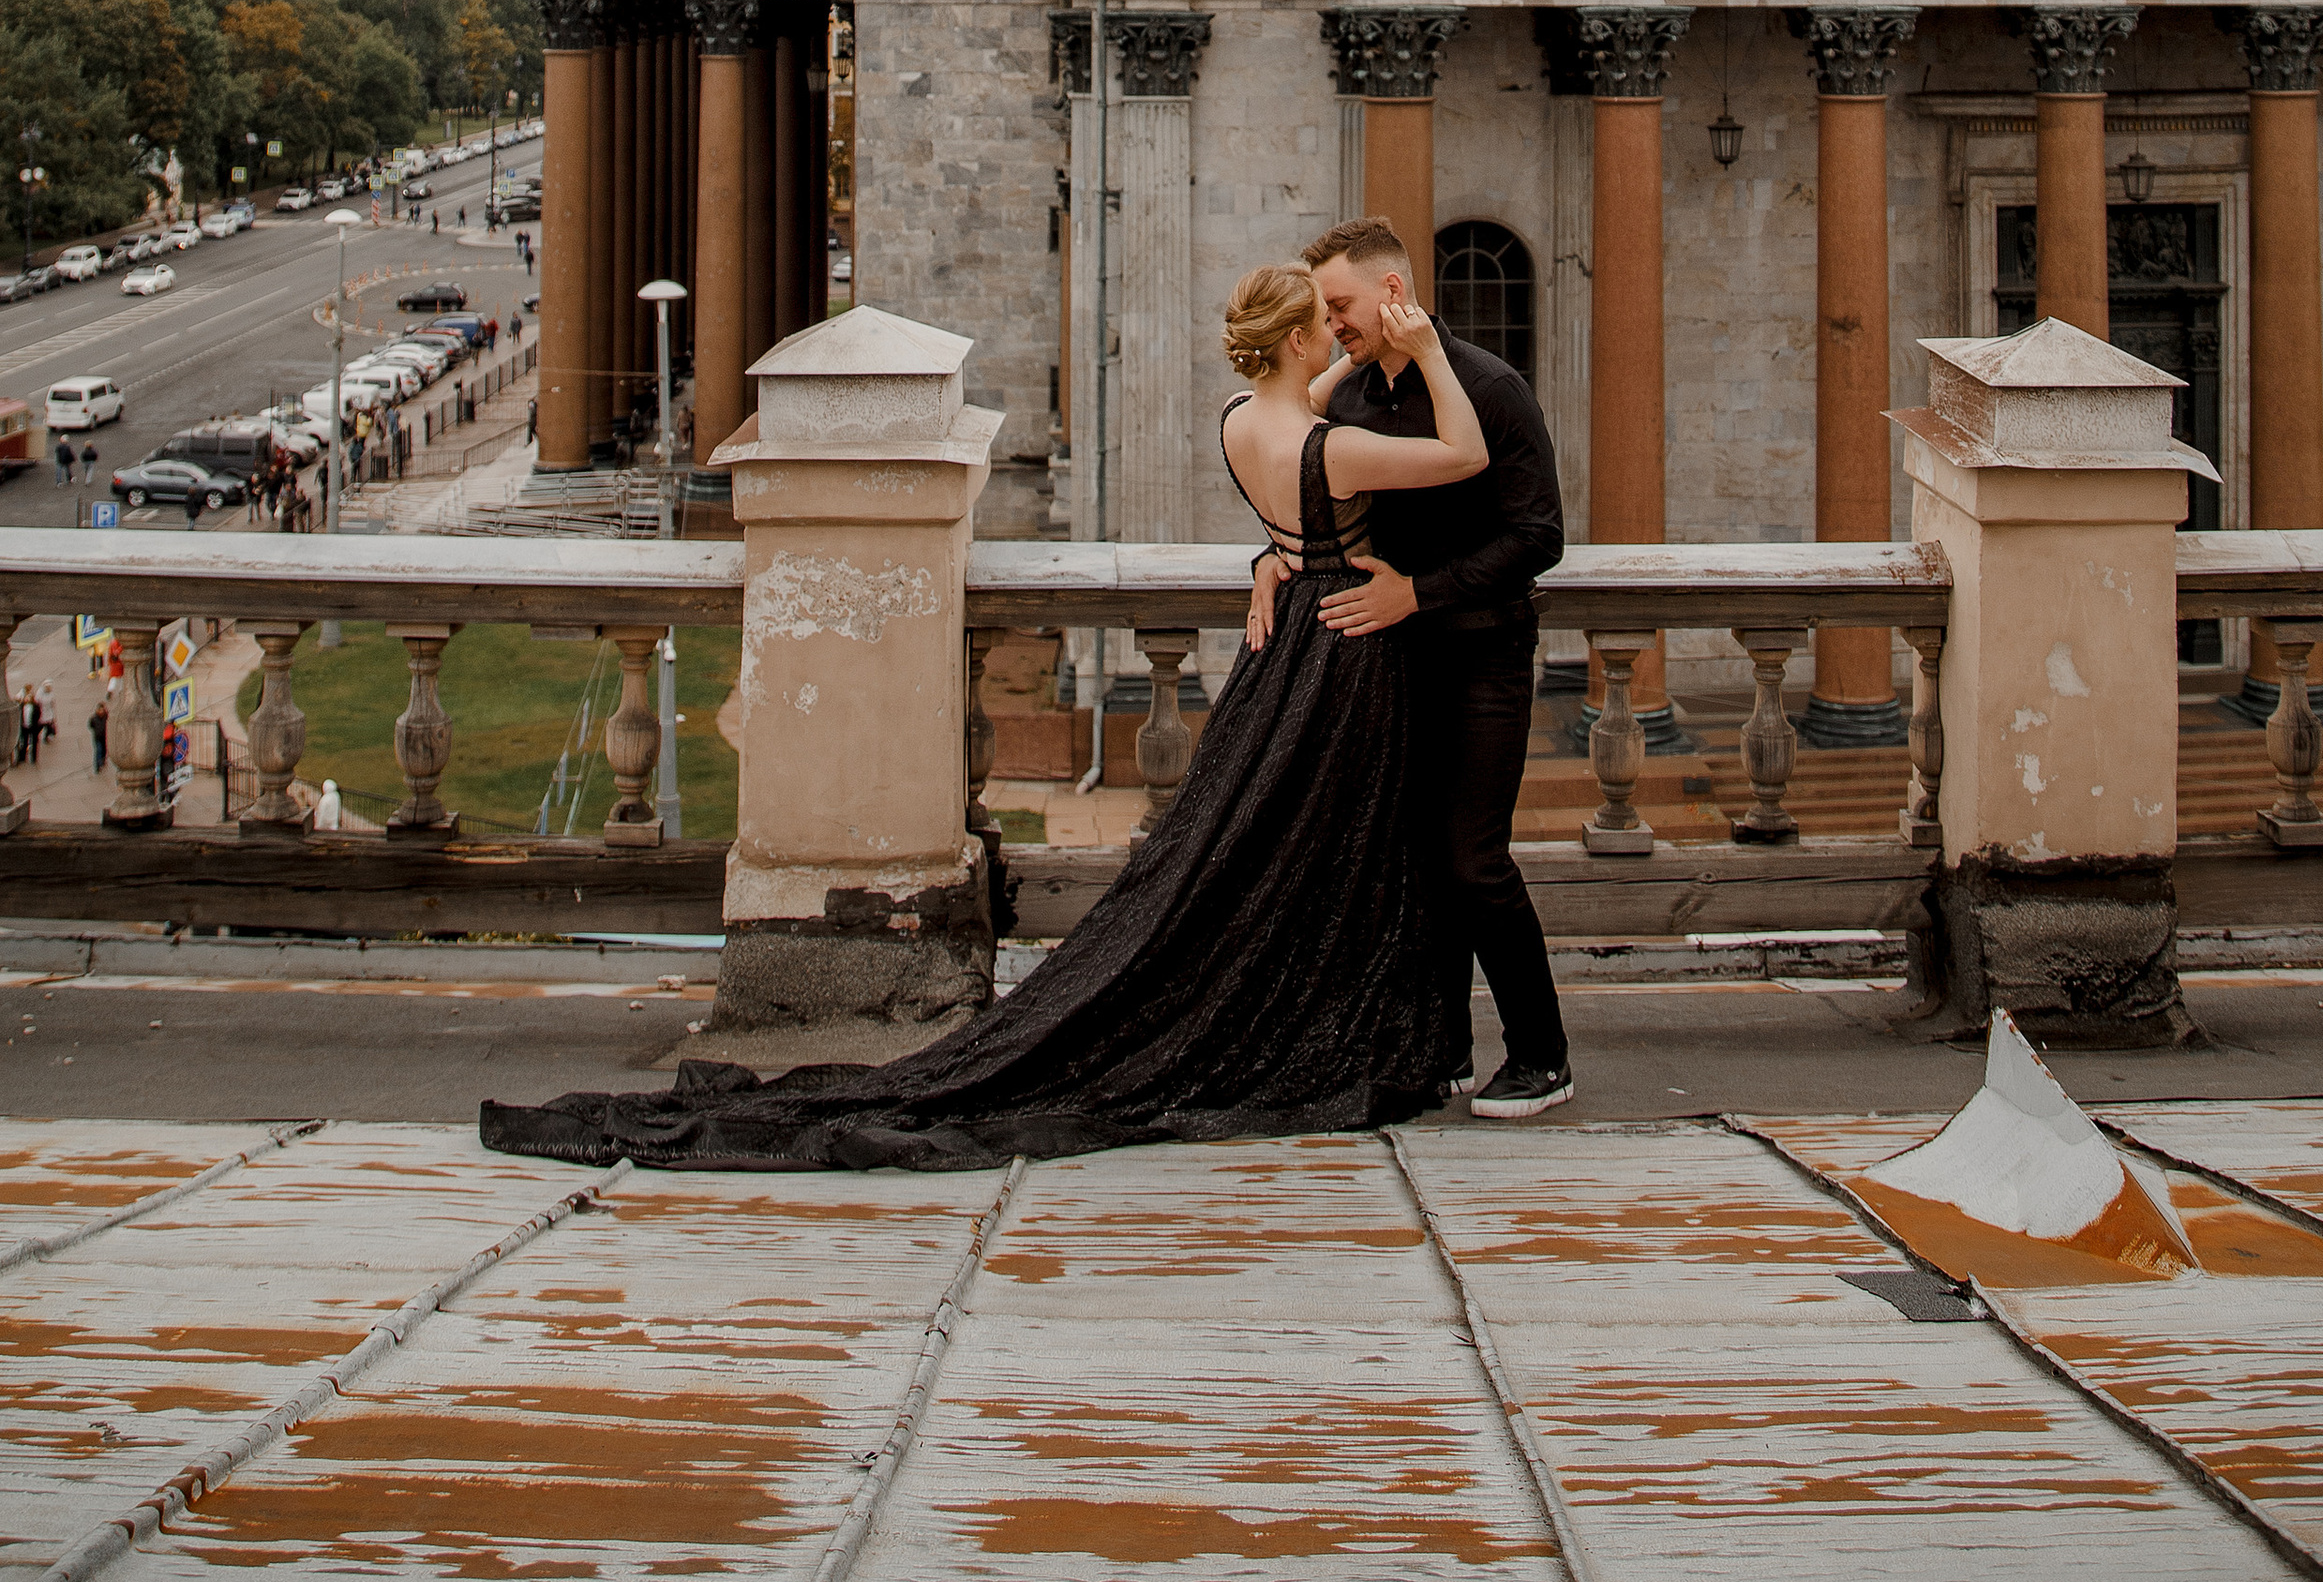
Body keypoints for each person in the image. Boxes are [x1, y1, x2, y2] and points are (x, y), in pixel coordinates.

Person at [482, 262, 1491, 1173]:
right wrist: (1431, 352)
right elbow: (1463, 450)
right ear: (1295, 340)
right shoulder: (1333, 448)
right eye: (1324, 324)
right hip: (1348, 650)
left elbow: (1298, 425)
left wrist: (1279, 549)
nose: (1338, 336)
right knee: (1338, 845)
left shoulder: (1241, 420)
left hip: (1285, 641)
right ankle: (1343, 1022)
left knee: (1264, 845)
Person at [1303, 213, 1572, 1121]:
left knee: (1473, 859)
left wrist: (1418, 594)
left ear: (1392, 291)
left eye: (1340, 305)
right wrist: (1272, 565)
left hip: (1485, 651)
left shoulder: (1492, 388)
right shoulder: (1351, 397)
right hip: (1393, 656)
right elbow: (1313, 496)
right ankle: (1443, 1048)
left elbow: (1539, 536)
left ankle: (1542, 1057)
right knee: (1417, 857)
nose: (1331, 323)